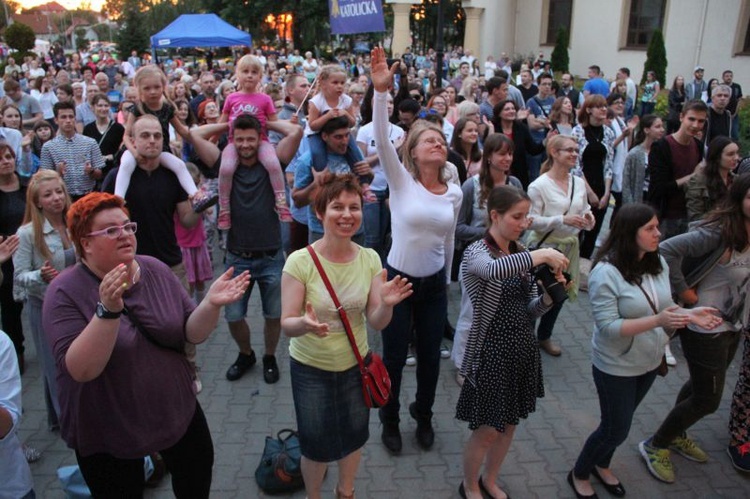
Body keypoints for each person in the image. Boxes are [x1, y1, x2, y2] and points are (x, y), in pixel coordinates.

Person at [41, 192, 250, 497]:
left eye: (127, 226)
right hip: (108, 429)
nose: (124, 234)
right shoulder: (64, 292)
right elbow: (82, 370)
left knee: (196, 480)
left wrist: (211, 304)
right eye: (111, 230)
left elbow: (191, 334)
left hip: (176, 410)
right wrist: (107, 311)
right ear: (85, 243)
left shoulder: (154, 269)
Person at [569, 203, 721, 498]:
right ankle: (579, 472)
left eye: (656, 226)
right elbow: (609, 326)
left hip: (650, 361)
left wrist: (692, 313)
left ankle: (603, 463)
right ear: (630, 233)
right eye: (650, 228)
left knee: (619, 423)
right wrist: (658, 320)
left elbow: (664, 306)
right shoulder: (605, 272)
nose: (658, 233)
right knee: (616, 429)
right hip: (615, 365)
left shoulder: (658, 262)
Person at [281, 173, 412, 499]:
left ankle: (345, 491)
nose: (347, 214)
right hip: (311, 367)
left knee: (355, 435)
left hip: (356, 364)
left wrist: (388, 305)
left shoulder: (369, 258)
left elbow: (376, 322)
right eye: (337, 207)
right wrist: (305, 324)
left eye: (354, 207)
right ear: (320, 213)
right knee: (314, 442)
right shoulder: (300, 261)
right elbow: (286, 323)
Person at [371, 46, 462, 453]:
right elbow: (379, 134)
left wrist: (446, 279)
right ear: (412, 149)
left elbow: (449, 238)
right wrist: (379, 93)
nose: (437, 144)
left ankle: (422, 415)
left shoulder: (454, 191)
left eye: (441, 139)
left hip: (434, 286)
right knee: (392, 359)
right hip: (398, 282)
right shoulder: (400, 181)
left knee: (429, 359)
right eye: (429, 140)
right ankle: (388, 418)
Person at [457, 185, 568, 499]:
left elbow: (532, 309)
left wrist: (548, 296)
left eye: (525, 216)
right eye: (516, 217)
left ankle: (490, 479)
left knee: (509, 423)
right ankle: (469, 485)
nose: (523, 223)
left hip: (522, 349)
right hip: (490, 352)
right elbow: (492, 272)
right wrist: (540, 254)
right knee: (487, 430)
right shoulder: (477, 252)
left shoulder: (520, 253)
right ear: (495, 215)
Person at [639, 174, 750, 484]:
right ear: (740, 199)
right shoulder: (720, 232)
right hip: (703, 326)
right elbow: (667, 250)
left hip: (733, 324)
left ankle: (676, 434)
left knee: (702, 386)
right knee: (709, 399)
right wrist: (685, 291)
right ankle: (656, 444)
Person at [452, 134, 523, 383]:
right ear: (489, 156)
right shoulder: (471, 186)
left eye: (510, 153)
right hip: (477, 259)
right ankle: (463, 365)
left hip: (506, 259)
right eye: (501, 153)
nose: (507, 159)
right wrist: (490, 233)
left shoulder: (515, 183)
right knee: (471, 316)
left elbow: (520, 221)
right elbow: (458, 228)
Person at [12, 170, 74, 432]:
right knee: (55, 366)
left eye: (59, 191)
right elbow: (19, 276)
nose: (56, 198)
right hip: (45, 307)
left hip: (75, 302)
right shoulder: (27, 233)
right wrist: (40, 274)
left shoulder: (75, 221)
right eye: (48, 195)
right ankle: (67, 421)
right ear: (37, 201)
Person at [527, 135, 595, 356]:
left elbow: (584, 208)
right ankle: (526, 339)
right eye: (569, 150)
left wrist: (589, 219)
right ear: (554, 153)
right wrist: (561, 220)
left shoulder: (578, 182)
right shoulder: (539, 185)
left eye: (576, 150)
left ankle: (544, 337)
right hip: (544, 249)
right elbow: (531, 221)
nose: (574, 154)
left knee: (559, 294)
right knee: (537, 295)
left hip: (568, 249)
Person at [117, 66, 215, 213]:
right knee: (126, 164)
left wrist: (200, 138)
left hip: (160, 150)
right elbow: (126, 135)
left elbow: (182, 131)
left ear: (163, 87)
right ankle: (117, 199)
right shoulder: (138, 108)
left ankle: (195, 195)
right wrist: (135, 153)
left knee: (179, 165)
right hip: (135, 148)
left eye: (157, 87)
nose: (153, 92)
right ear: (139, 89)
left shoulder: (167, 108)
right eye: (147, 88)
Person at [217, 55, 290, 229]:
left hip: (261, 141)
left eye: (254, 72)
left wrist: (289, 125)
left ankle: (281, 203)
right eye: (245, 71)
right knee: (226, 168)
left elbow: (274, 122)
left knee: (273, 164)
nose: (249, 75)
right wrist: (211, 140)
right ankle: (224, 209)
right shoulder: (231, 98)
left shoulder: (264, 99)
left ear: (260, 76)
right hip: (234, 142)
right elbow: (222, 123)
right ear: (237, 74)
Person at [646, 100, 708, 240]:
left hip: (689, 215)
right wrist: (693, 176)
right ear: (681, 117)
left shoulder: (698, 146)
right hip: (664, 217)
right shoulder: (662, 147)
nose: (695, 125)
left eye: (701, 121)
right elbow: (658, 188)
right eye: (691, 119)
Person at [357, 92, 405, 260]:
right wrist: (388, 149)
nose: (389, 105)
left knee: (389, 236)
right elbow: (360, 164)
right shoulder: (364, 131)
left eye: (391, 102)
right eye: (385, 102)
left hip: (392, 190)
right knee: (372, 238)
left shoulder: (399, 131)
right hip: (372, 188)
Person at [572, 95, 615, 259]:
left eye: (605, 106)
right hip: (582, 185)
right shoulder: (578, 131)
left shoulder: (608, 132)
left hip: (601, 186)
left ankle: (585, 261)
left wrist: (606, 193)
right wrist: (589, 192)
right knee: (578, 229)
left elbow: (609, 163)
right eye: (599, 106)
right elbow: (576, 165)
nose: (604, 109)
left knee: (593, 231)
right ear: (589, 110)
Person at [40, 101, 105, 202]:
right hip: (64, 198)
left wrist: (91, 171)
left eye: (71, 117)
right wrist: (58, 172)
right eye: (63, 117)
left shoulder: (90, 142)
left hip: (88, 195)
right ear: (56, 120)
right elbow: (45, 178)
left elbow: (99, 174)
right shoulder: (48, 147)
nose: (68, 120)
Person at [0, 142, 28, 372]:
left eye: (9, 157)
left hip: (29, 251)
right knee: (10, 308)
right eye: (1, 159)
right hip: (6, 254)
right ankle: (16, 352)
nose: (6, 161)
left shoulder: (26, 187)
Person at [490, 99, 544, 190]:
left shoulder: (521, 128)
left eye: (513, 108)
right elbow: (489, 149)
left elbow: (533, 150)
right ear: (499, 113)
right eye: (507, 109)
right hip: (498, 173)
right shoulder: (493, 128)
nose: (511, 111)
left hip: (519, 174)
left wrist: (546, 141)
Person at [685, 136, 740, 221]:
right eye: (730, 154)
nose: (736, 158)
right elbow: (695, 216)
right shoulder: (698, 181)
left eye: (737, 153)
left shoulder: (737, 180)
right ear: (717, 157)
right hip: (707, 230)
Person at [622, 115, 665, 205]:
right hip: (640, 198)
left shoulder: (662, 152)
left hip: (655, 199)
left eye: (662, 126)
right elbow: (627, 183)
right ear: (646, 130)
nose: (662, 130)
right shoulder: (635, 153)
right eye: (657, 127)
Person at [82, 94, 125, 183]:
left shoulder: (118, 128)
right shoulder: (88, 129)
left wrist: (111, 157)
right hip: (94, 174)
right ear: (93, 107)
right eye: (100, 105)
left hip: (113, 172)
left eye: (106, 105)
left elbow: (123, 149)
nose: (103, 108)